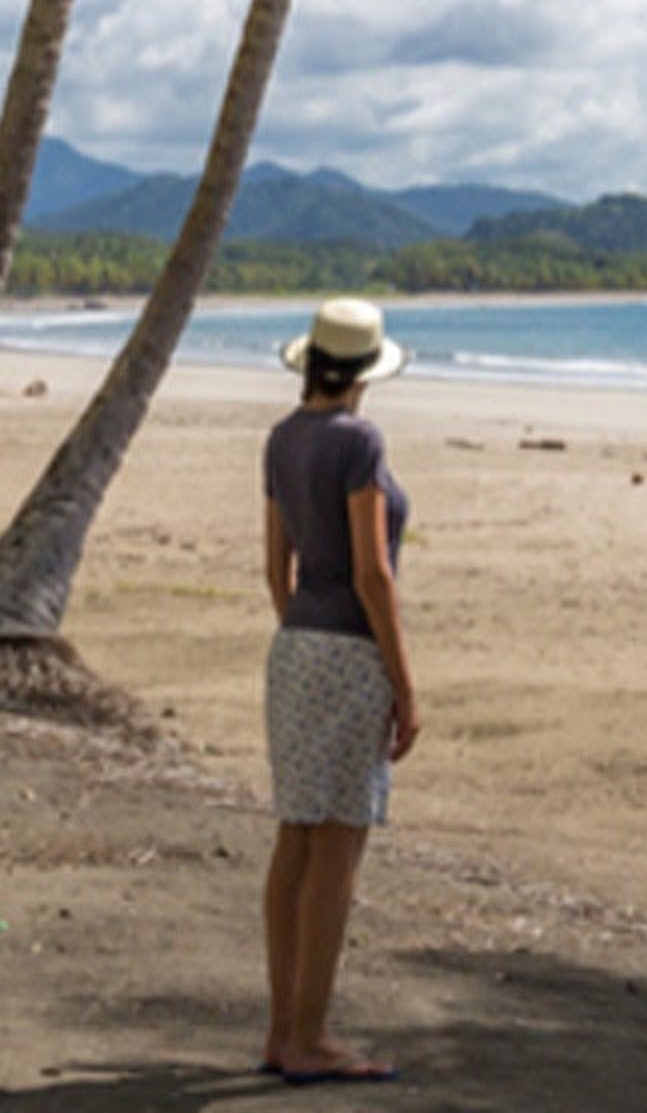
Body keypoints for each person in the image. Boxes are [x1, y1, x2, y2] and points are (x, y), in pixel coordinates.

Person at [259, 297, 416, 1086]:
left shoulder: (283, 438)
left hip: (294, 648)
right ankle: (311, 1035)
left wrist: (304, 633)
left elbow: (274, 567)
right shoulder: (359, 441)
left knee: (296, 837)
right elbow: (372, 573)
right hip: (349, 652)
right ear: (364, 372)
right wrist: (404, 684)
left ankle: (282, 1029)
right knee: (338, 848)